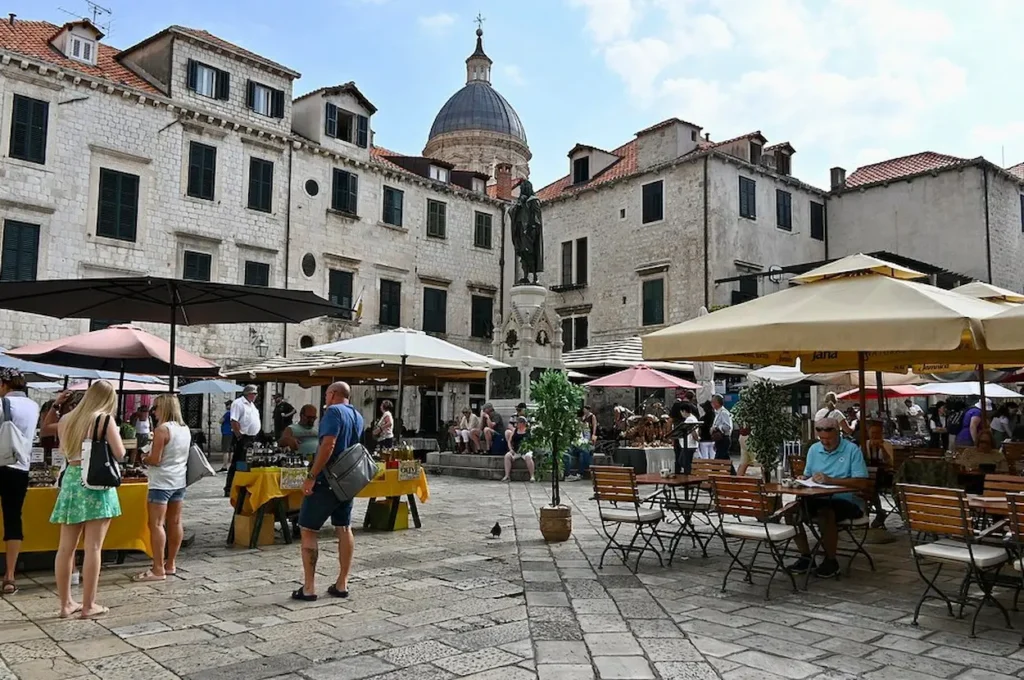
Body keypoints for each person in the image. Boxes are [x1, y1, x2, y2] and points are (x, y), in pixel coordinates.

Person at [50, 380, 126, 619]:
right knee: (93, 547)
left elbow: (64, 451)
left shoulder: (66, 420)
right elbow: (120, 452)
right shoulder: (103, 419)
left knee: (65, 548)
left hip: (71, 481)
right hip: (95, 483)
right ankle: (88, 605)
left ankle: (65, 604)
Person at [292, 381, 363, 601]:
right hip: (347, 481)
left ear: (332, 394)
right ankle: (342, 583)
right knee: (344, 527)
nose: (324, 398)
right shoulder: (357, 416)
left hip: (327, 480)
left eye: (326, 395)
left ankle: (309, 587)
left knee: (308, 529)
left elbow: (328, 445)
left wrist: (312, 476)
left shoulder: (333, 412)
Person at [786, 415, 868, 579]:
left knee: (826, 513)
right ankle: (806, 557)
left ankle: (831, 560)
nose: (825, 442)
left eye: (829, 439)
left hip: (845, 500)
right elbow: (808, 474)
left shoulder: (851, 450)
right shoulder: (814, 449)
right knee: (790, 512)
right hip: (816, 496)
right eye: (822, 438)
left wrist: (831, 480)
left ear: (838, 434)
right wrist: (803, 479)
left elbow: (862, 483)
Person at [135, 394, 191, 583]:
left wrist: (144, 458)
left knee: (157, 524)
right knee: (175, 522)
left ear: (164, 408)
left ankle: (157, 568)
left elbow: (155, 459)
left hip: (161, 482)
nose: (154, 411)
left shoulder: (162, 430)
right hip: (179, 480)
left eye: (156, 407)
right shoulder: (185, 429)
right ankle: (171, 563)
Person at [0, 369, 40, 595]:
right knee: (13, 518)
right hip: (20, 467)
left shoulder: (3, 403)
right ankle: (10, 576)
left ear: (4, 384)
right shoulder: (33, 406)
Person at [224, 385, 261, 497]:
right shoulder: (238, 403)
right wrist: (239, 436)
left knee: (249, 462)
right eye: (253, 394)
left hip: (252, 437)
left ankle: (244, 486)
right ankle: (229, 487)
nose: (255, 396)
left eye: (255, 394)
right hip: (243, 436)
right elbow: (234, 421)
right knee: (238, 462)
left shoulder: (252, 405)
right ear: (247, 394)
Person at [565, 405, 598, 481]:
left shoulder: (592, 417)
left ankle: (580, 473)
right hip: (578, 442)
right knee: (585, 453)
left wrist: (593, 434)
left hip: (585, 439)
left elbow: (594, 425)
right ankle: (581, 473)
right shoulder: (581, 419)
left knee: (584, 453)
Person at [502, 415, 534, 482]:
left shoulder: (528, 431)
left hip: (526, 450)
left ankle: (532, 476)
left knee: (528, 457)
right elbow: (509, 441)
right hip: (516, 451)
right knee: (507, 456)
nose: (517, 424)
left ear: (522, 423)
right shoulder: (515, 430)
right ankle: (507, 476)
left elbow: (532, 442)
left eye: (518, 422)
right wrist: (510, 449)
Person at [710, 394, 733, 462]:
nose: (711, 404)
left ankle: (715, 471)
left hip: (724, 439)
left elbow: (728, 426)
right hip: (719, 440)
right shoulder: (717, 413)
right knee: (725, 458)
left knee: (718, 459)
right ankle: (732, 472)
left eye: (712, 402)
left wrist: (717, 427)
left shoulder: (723, 413)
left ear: (717, 403)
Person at [219, 399, 233, 468]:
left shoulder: (228, 413)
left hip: (226, 433)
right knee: (231, 450)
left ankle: (225, 466)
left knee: (226, 450)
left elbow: (220, 421)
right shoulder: (234, 413)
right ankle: (231, 465)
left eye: (227, 405)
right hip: (232, 432)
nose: (226, 406)